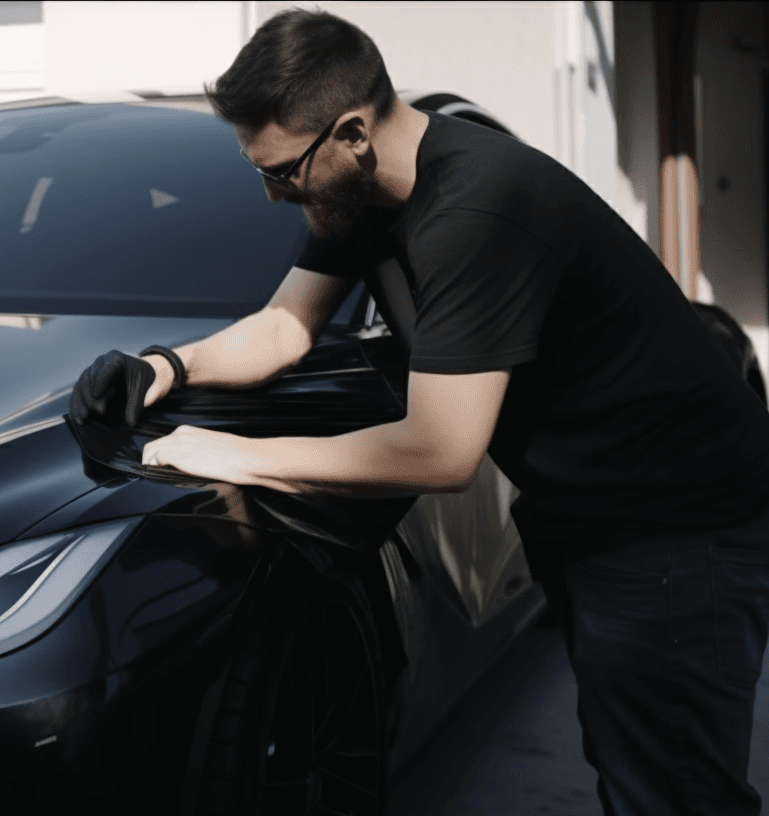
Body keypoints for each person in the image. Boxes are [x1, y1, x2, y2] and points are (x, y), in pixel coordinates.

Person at [69, 8, 769, 816]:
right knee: (635, 768)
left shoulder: (475, 213)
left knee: (675, 795)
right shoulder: (357, 195)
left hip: (680, 536)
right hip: (603, 521)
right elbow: (284, 329)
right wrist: (164, 366)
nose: (272, 194)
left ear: (353, 134)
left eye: (283, 172)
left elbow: (442, 450)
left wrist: (234, 453)